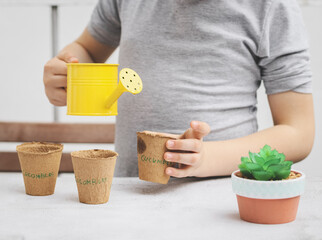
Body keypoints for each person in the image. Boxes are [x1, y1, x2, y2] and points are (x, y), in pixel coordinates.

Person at [43, 0, 315, 178]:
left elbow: (299, 133)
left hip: (222, 202)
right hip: (128, 195)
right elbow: (87, 49)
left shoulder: (272, 6)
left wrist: (207, 158)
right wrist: (67, 71)